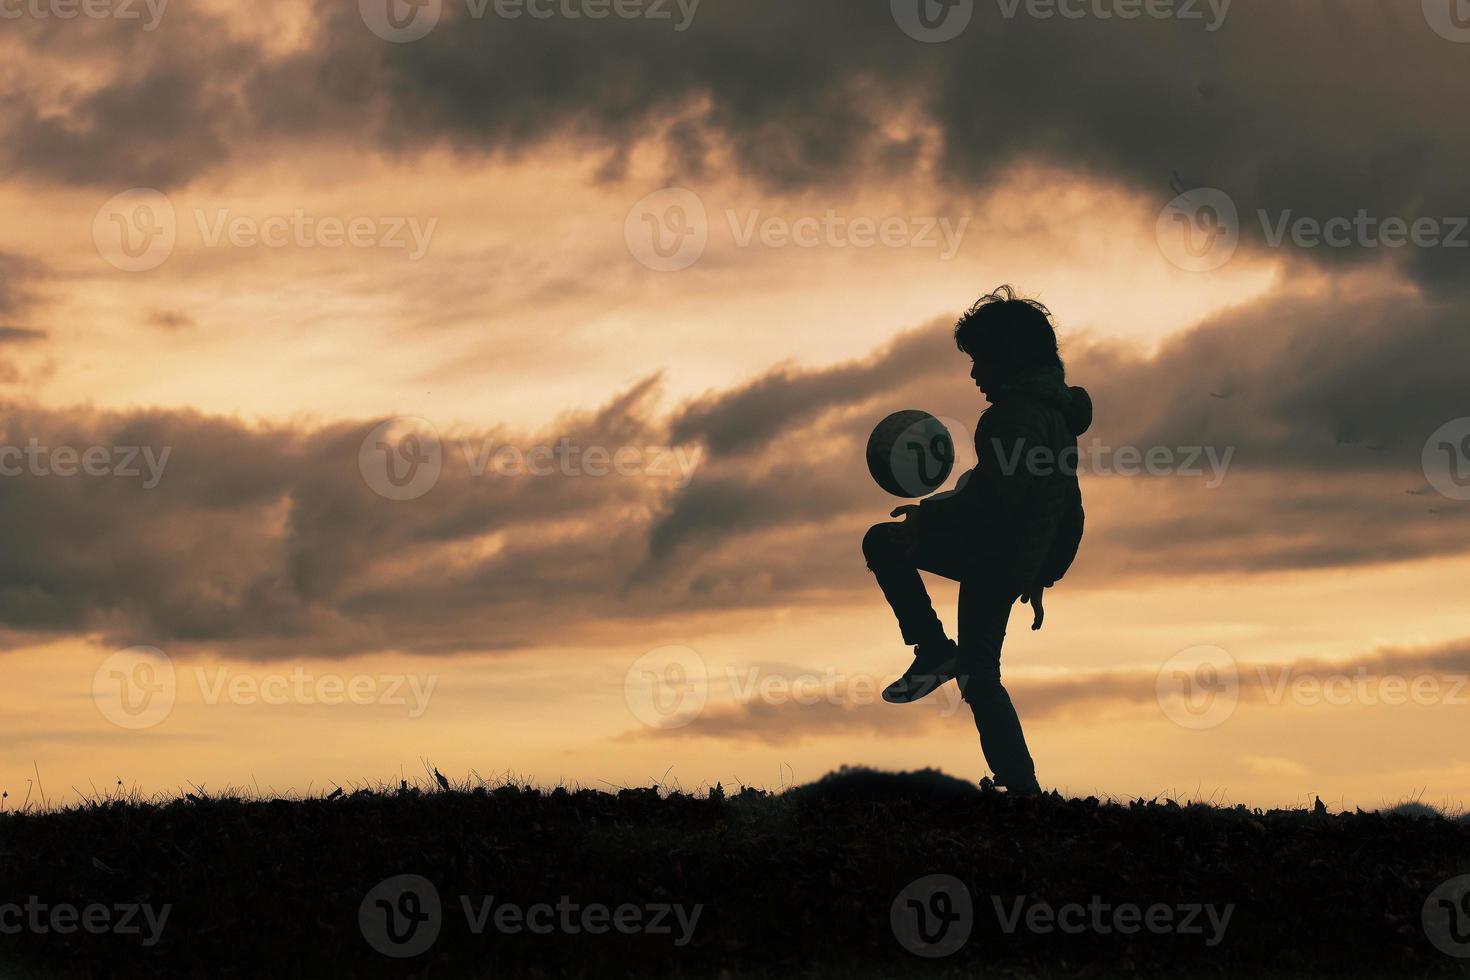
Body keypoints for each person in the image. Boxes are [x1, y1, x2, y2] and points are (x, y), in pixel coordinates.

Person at [861, 286, 1092, 795]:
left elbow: (997, 499)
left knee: (881, 541)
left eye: (979, 360)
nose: (973, 374)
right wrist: (1043, 566)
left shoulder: (1015, 416)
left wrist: (928, 518)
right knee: (981, 673)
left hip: (998, 555)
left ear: (1006, 360)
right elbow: (1060, 503)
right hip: (1017, 557)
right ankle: (1020, 785)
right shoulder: (1052, 412)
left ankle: (931, 648)